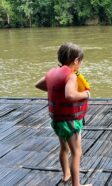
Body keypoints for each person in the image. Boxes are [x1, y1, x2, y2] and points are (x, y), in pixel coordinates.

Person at [35, 43, 91, 186]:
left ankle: (66, 174)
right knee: (76, 153)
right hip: (69, 121)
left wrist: (56, 89)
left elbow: (39, 84)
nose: (81, 64)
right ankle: (76, 185)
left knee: (64, 148)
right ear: (76, 61)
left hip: (57, 120)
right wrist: (86, 94)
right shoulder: (71, 76)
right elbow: (70, 95)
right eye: (81, 61)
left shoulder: (52, 72)